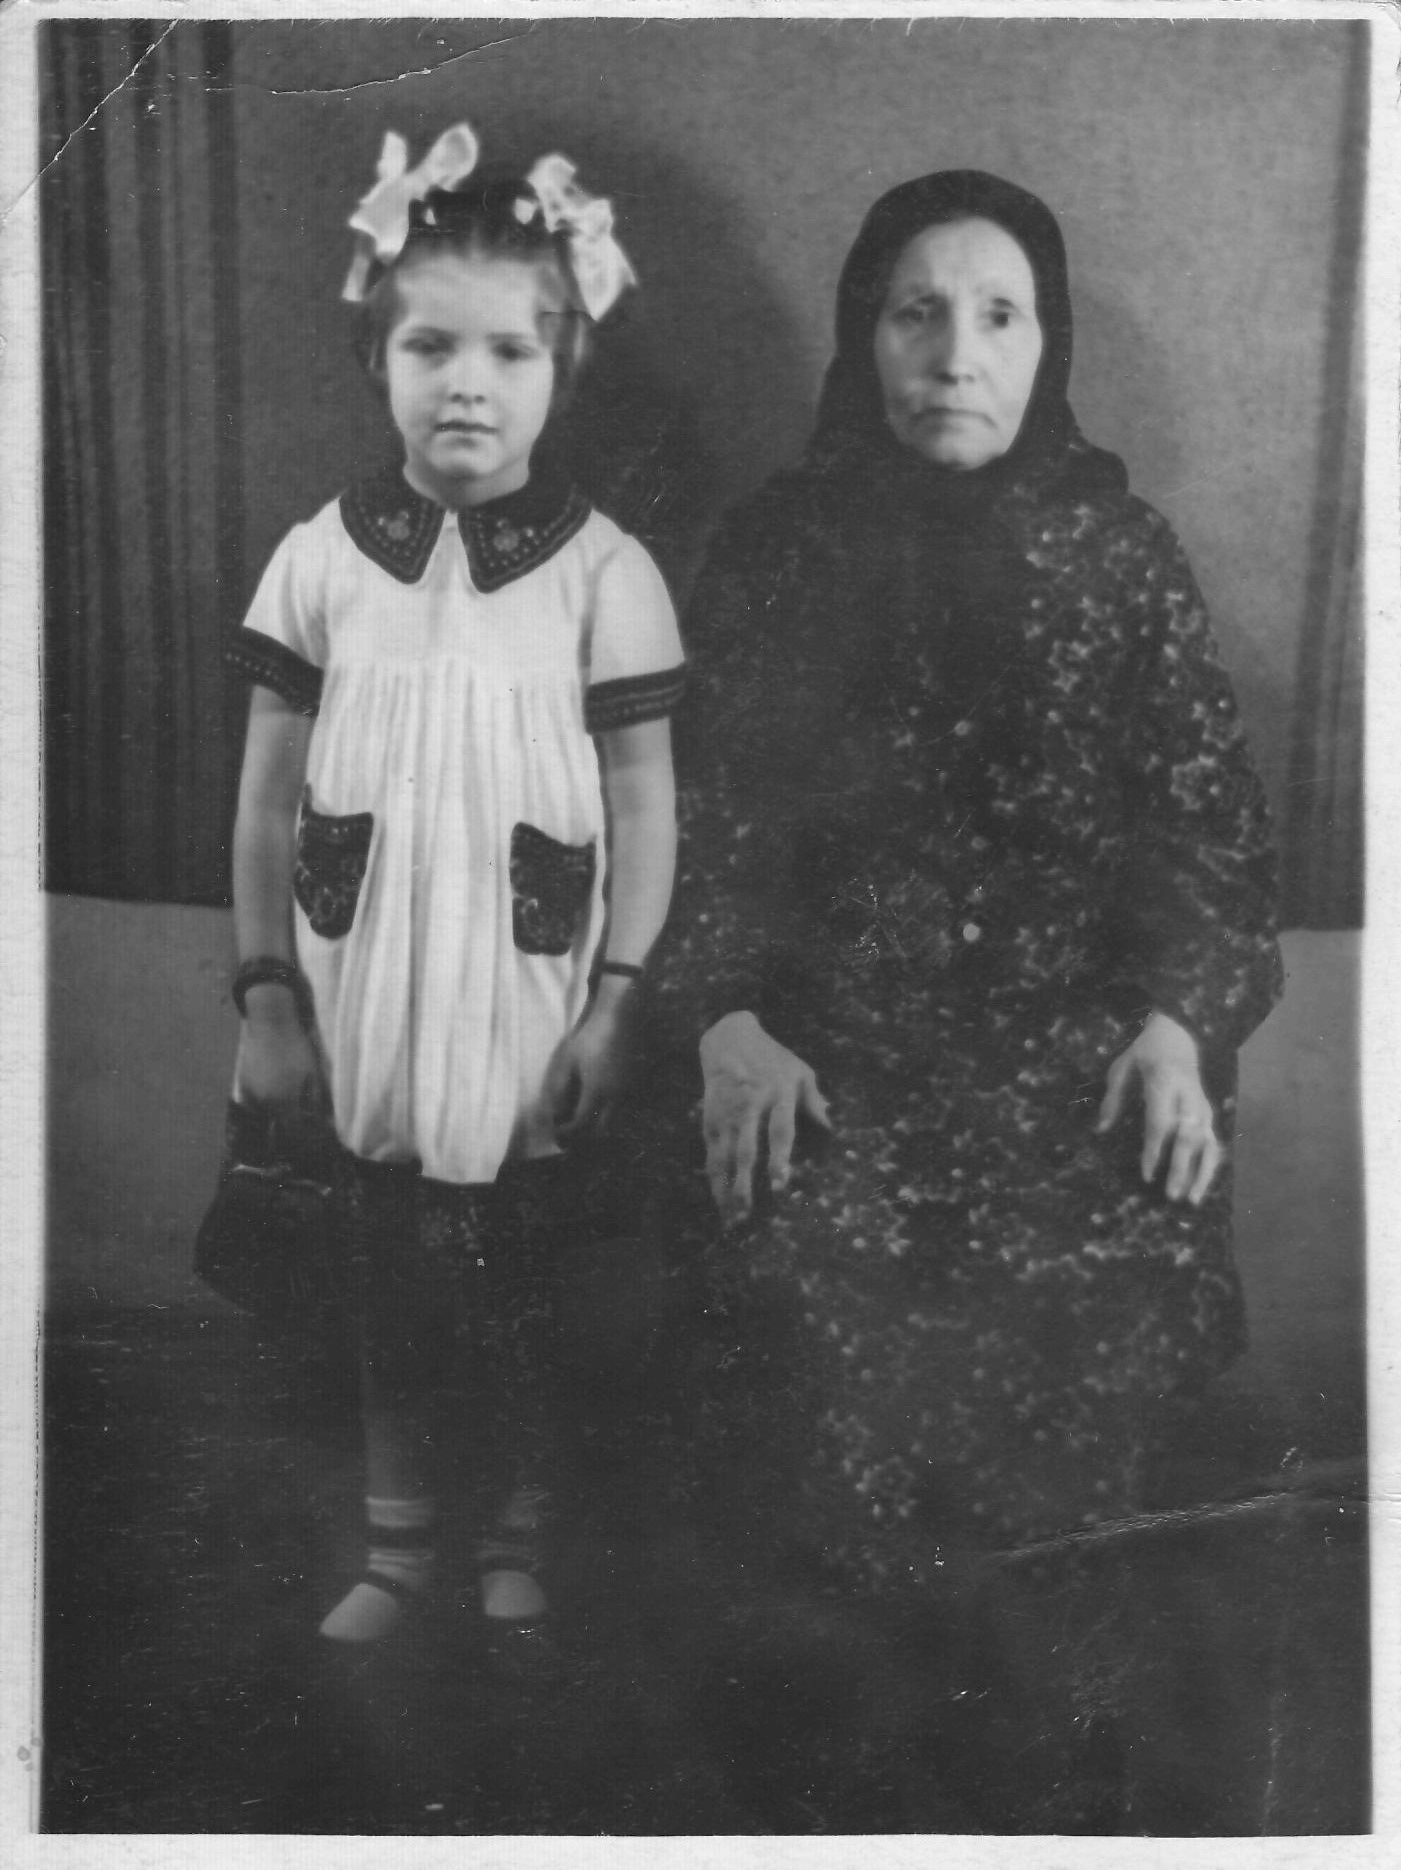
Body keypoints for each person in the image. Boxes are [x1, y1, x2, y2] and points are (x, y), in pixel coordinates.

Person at [653, 169, 1283, 1601]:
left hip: (1070, 1052)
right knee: (808, 1324)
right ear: (862, 336)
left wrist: (1179, 1026)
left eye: (999, 316)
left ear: (1047, 344)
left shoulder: (1120, 555)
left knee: (1092, 1318)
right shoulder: (775, 551)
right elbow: (702, 814)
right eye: (915, 314)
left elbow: (1209, 828)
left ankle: (1039, 1648)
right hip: (828, 1048)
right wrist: (724, 1023)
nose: (954, 355)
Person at [226, 126, 684, 1644]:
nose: (467, 384)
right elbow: (268, 794)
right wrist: (266, 997)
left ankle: (515, 1536)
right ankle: (398, 1546)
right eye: (430, 345)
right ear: (378, 356)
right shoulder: (322, 562)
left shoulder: (603, 575)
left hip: (528, 1001)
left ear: (565, 367)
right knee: (384, 1286)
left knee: (525, 1291)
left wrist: (615, 1001)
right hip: (360, 996)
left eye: (508, 350)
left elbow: (643, 800)